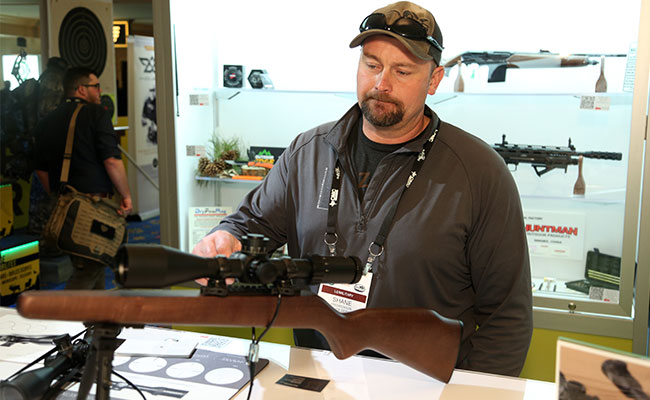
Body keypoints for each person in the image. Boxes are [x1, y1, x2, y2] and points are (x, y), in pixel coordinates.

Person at [193, 1, 532, 377]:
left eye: (402, 70)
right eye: (371, 64)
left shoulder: (480, 172)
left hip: (428, 385)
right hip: (318, 374)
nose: (381, 83)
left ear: (434, 80)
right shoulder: (307, 152)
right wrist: (224, 239)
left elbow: (507, 318)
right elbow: (251, 223)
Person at [34, 66, 132, 290]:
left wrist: (61, 196)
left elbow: (41, 170)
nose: (99, 92)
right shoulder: (96, 114)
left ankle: (95, 323)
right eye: (95, 86)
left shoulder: (45, 122)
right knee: (86, 271)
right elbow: (112, 160)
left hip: (64, 208)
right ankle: (64, 322)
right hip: (94, 208)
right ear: (80, 89)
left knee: (89, 265)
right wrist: (126, 195)